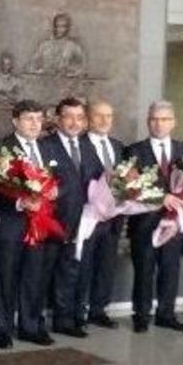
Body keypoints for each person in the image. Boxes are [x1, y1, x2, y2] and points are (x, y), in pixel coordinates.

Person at [0, 100, 61, 348]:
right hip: (11, 224)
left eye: (39, 119)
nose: (34, 124)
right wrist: (20, 203)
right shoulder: (0, 148)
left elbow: (59, 180)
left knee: (33, 276)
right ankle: (3, 329)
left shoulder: (47, 149)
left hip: (39, 224)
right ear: (15, 121)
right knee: (5, 277)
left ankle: (29, 327)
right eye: (29, 118)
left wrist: (54, 192)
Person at [125, 100, 183, 333]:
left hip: (174, 223)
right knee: (144, 270)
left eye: (164, 119)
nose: (159, 124)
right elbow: (130, 186)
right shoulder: (133, 150)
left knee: (171, 268)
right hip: (144, 223)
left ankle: (166, 314)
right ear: (148, 122)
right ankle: (141, 316)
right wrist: (161, 198)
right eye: (154, 119)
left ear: (173, 122)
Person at [40, 97, 102, 339]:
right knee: (45, 275)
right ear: (58, 119)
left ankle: (66, 319)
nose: (74, 122)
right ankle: (36, 320)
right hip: (52, 222)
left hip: (83, 222)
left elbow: (97, 178)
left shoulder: (87, 146)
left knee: (71, 271)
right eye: (68, 116)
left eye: (79, 117)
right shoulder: (46, 146)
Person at [79, 100, 126, 329]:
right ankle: (79, 311)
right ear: (88, 118)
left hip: (113, 219)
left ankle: (99, 309)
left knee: (106, 265)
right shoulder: (79, 144)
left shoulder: (118, 147)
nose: (105, 120)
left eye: (109, 116)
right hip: (88, 217)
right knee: (83, 265)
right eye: (99, 116)